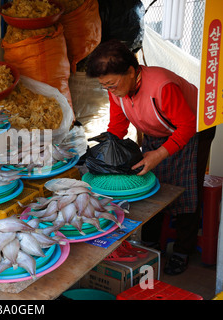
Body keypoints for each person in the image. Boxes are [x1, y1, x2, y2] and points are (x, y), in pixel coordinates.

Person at [85, 39, 215, 275]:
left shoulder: (161, 86)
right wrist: (102, 155)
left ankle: (183, 250)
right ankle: (152, 243)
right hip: (159, 131)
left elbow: (186, 126)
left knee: (185, 190)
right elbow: (117, 126)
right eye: (105, 86)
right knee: (151, 185)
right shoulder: (118, 91)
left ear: (132, 71)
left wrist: (159, 153)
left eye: (112, 84)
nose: (110, 90)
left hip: (195, 129)